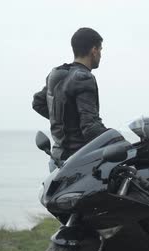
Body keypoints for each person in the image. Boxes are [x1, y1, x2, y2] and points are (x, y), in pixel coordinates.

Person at [32, 27, 108, 170]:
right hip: (78, 162)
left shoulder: (57, 74)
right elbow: (91, 127)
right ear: (94, 50)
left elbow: (38, 103)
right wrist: (119, 140)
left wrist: (66, 121)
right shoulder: (84, 77)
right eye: (101, 50)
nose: (101, 55)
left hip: (56, 160)